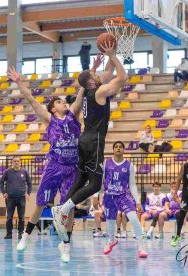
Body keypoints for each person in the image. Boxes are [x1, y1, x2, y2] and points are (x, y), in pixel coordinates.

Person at [52, 41, 128, 244]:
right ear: (93, 83)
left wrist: (107, 56)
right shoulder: (98, 92)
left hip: (84, 140)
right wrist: (113, 55)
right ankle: (63, 208)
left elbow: (108, 73)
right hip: (94, 141)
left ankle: (63, 216)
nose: (100, 76)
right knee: (94, 185)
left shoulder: (86, 91)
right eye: (96, 76)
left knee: (79, 182)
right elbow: (122, 77)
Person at [8, 64, 84, 261]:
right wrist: (19, 82)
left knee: (69, 206)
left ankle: (66, 245)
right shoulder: (50, 120)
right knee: (41, 203)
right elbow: (31, 99)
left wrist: (88, 73)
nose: (63, 103)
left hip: (72, 168)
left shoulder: (73, 116)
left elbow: (80, 96)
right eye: (59, 101)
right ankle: (26, 236)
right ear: (53, 108)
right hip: (54, 166)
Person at [100, 141, 147, 256]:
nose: (118, 148)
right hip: (109, 196)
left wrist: (137, 201)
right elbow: (100, 181)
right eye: (116, 147)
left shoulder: (129, 165)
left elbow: (132, 185)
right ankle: (111, 240)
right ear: (113, 150)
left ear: (124, 150)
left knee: (134, 218)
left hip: (123, 196)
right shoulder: (106, 163)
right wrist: (96, 195)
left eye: (121, 147)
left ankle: (141, 246)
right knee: (110, 222)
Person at [0, 156, 32, 240]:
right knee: (9, 217)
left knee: (21, 217)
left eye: (18, 161)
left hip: (21, 198)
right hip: (10, 198)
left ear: (20, 162)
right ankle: (9, 234)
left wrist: (28, 193)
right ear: (12, 162)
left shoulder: (24, 172)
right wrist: (4, 192)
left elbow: (29, 183)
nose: (16, 162)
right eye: (14, 161)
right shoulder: (8, 171)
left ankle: (20, 234)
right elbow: (1, 182)